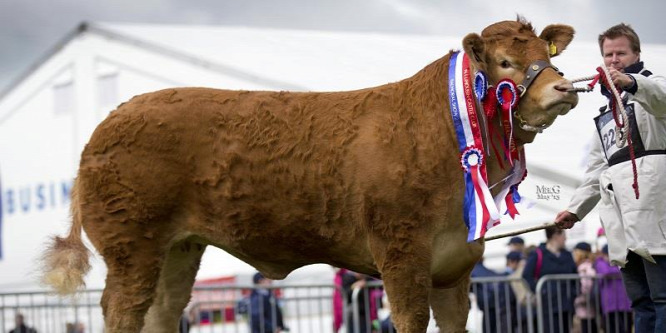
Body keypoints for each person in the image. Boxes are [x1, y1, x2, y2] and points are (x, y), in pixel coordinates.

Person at [555, 23, 666, 333]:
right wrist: (576, 209)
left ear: (637, 55)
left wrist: (631, 82)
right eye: (608, 54)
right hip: (623, 225)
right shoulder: (605, 113)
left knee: (663, 300)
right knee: (641, 304)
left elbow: (661, 98)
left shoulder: (652, 85)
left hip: (657, 218)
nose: (614, 60)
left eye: (621, 53)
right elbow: (596, 170)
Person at [522, 226, 577, 333]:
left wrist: (574, 292)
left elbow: (575, 275)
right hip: (548, 305)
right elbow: (526, 275)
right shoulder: (538, 254)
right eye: (563, 235)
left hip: (567, 303)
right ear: (555, 235)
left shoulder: (567, 255)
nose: (565, 239)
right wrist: (539, 291)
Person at [595, 244, 633, 333]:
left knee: (626, 329)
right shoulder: (600, 262)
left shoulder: (622, 262)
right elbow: (606, 272)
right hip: (610, 306)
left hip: (625, 305)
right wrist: (619, 270)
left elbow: (627, 270)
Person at [572, 242, 597, 333]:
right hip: (589, 306)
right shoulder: (590, 265)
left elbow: (586, 286)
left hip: (585, 305)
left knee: (587, 327)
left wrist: (578, 299)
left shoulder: (584, 267)